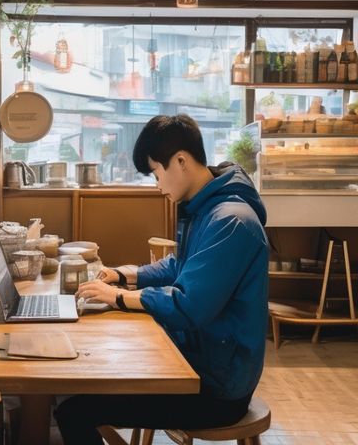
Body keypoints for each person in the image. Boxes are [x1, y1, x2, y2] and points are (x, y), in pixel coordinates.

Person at [55, 114, 269, 444]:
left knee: (73, 411)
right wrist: (125, 276)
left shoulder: (230, 221)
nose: (157, 184)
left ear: (180, 160)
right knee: (87, 379)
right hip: (200, 360)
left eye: (157, 173)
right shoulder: (206, 208)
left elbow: (189, 305)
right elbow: (179, 267)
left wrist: (117, 298)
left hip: (215, 388)